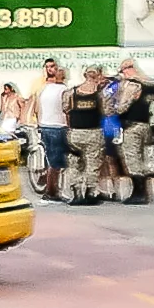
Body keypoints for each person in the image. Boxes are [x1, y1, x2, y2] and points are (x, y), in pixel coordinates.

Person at [63, 66, 111, 204]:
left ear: (85, 75)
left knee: (74, 164)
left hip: (75, 133)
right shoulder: (100, 94)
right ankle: (90, 194)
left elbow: (66, 108)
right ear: (98, 76)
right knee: (92, 165)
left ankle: (77, 194)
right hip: (93, 133)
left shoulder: (71, 93)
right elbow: (107, 111)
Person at [114, 58, 154, 205]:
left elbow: (122, 106)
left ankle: (138, 194)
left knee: (132, 160)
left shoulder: (132, 85)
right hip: (145, 125)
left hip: (132, 126)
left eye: (122, 71)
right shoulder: (147, 83)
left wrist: (115, 109)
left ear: (126, 70)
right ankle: (144, 192)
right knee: (141, 159)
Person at [35, 59, 70, 199]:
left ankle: (46, 179)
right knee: (57, 162)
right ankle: (50, 192)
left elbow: (38, 108)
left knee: (50, 158)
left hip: (45, 126)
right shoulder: (64, 90)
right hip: (58, 127)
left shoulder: (45, 89)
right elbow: (67, 110)